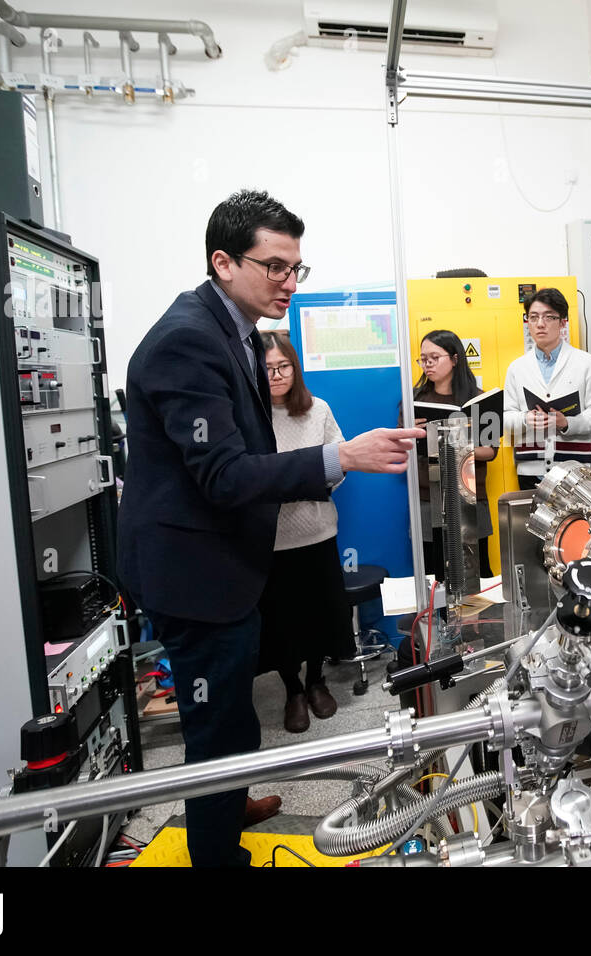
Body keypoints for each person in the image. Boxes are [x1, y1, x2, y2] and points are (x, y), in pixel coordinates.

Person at [117, 189, 422, 867]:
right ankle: (218, 848)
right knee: (214, 724)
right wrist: (340, 456)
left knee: (229, 715)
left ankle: (227, 800)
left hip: (223, 563)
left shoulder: (230, 328)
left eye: (296, 269)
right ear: (224, 262)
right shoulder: (187, 342)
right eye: (275, 267)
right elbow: (224, 475)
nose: (289, 282)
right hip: (191, 574)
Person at [256, 331, 352, 733]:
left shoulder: (318, 410)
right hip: (271, 541)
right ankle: (292, 689)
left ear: (295, 368)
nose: (277, 375)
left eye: (284, 367)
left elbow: (342, 459)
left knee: (320, 616)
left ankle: (316, 681)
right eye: (268, 369)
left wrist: (319, 481)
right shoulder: (250, 416)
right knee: (281, 622)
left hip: (316, 532)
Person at [410, 329, 498, 578]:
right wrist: (411, 434)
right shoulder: (415, 399)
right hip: (429, 501)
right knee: (434, 576)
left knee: (476, 577)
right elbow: (404, 449)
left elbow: (489, 451)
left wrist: (452, 443)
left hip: (471, 499)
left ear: (455, 358)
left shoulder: (478, 399)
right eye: (423, 358)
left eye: (434, 357)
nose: (427, 364)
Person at [502, 288, 591, 490]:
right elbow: (505, 418)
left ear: (563, 322)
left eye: (549, 317)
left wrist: (567, 423)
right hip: (530, 470)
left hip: (575, 471)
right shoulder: (517, 368)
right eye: (533, 317)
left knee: (576, 522)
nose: (540, 324)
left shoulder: (585, 363)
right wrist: (525, 419)